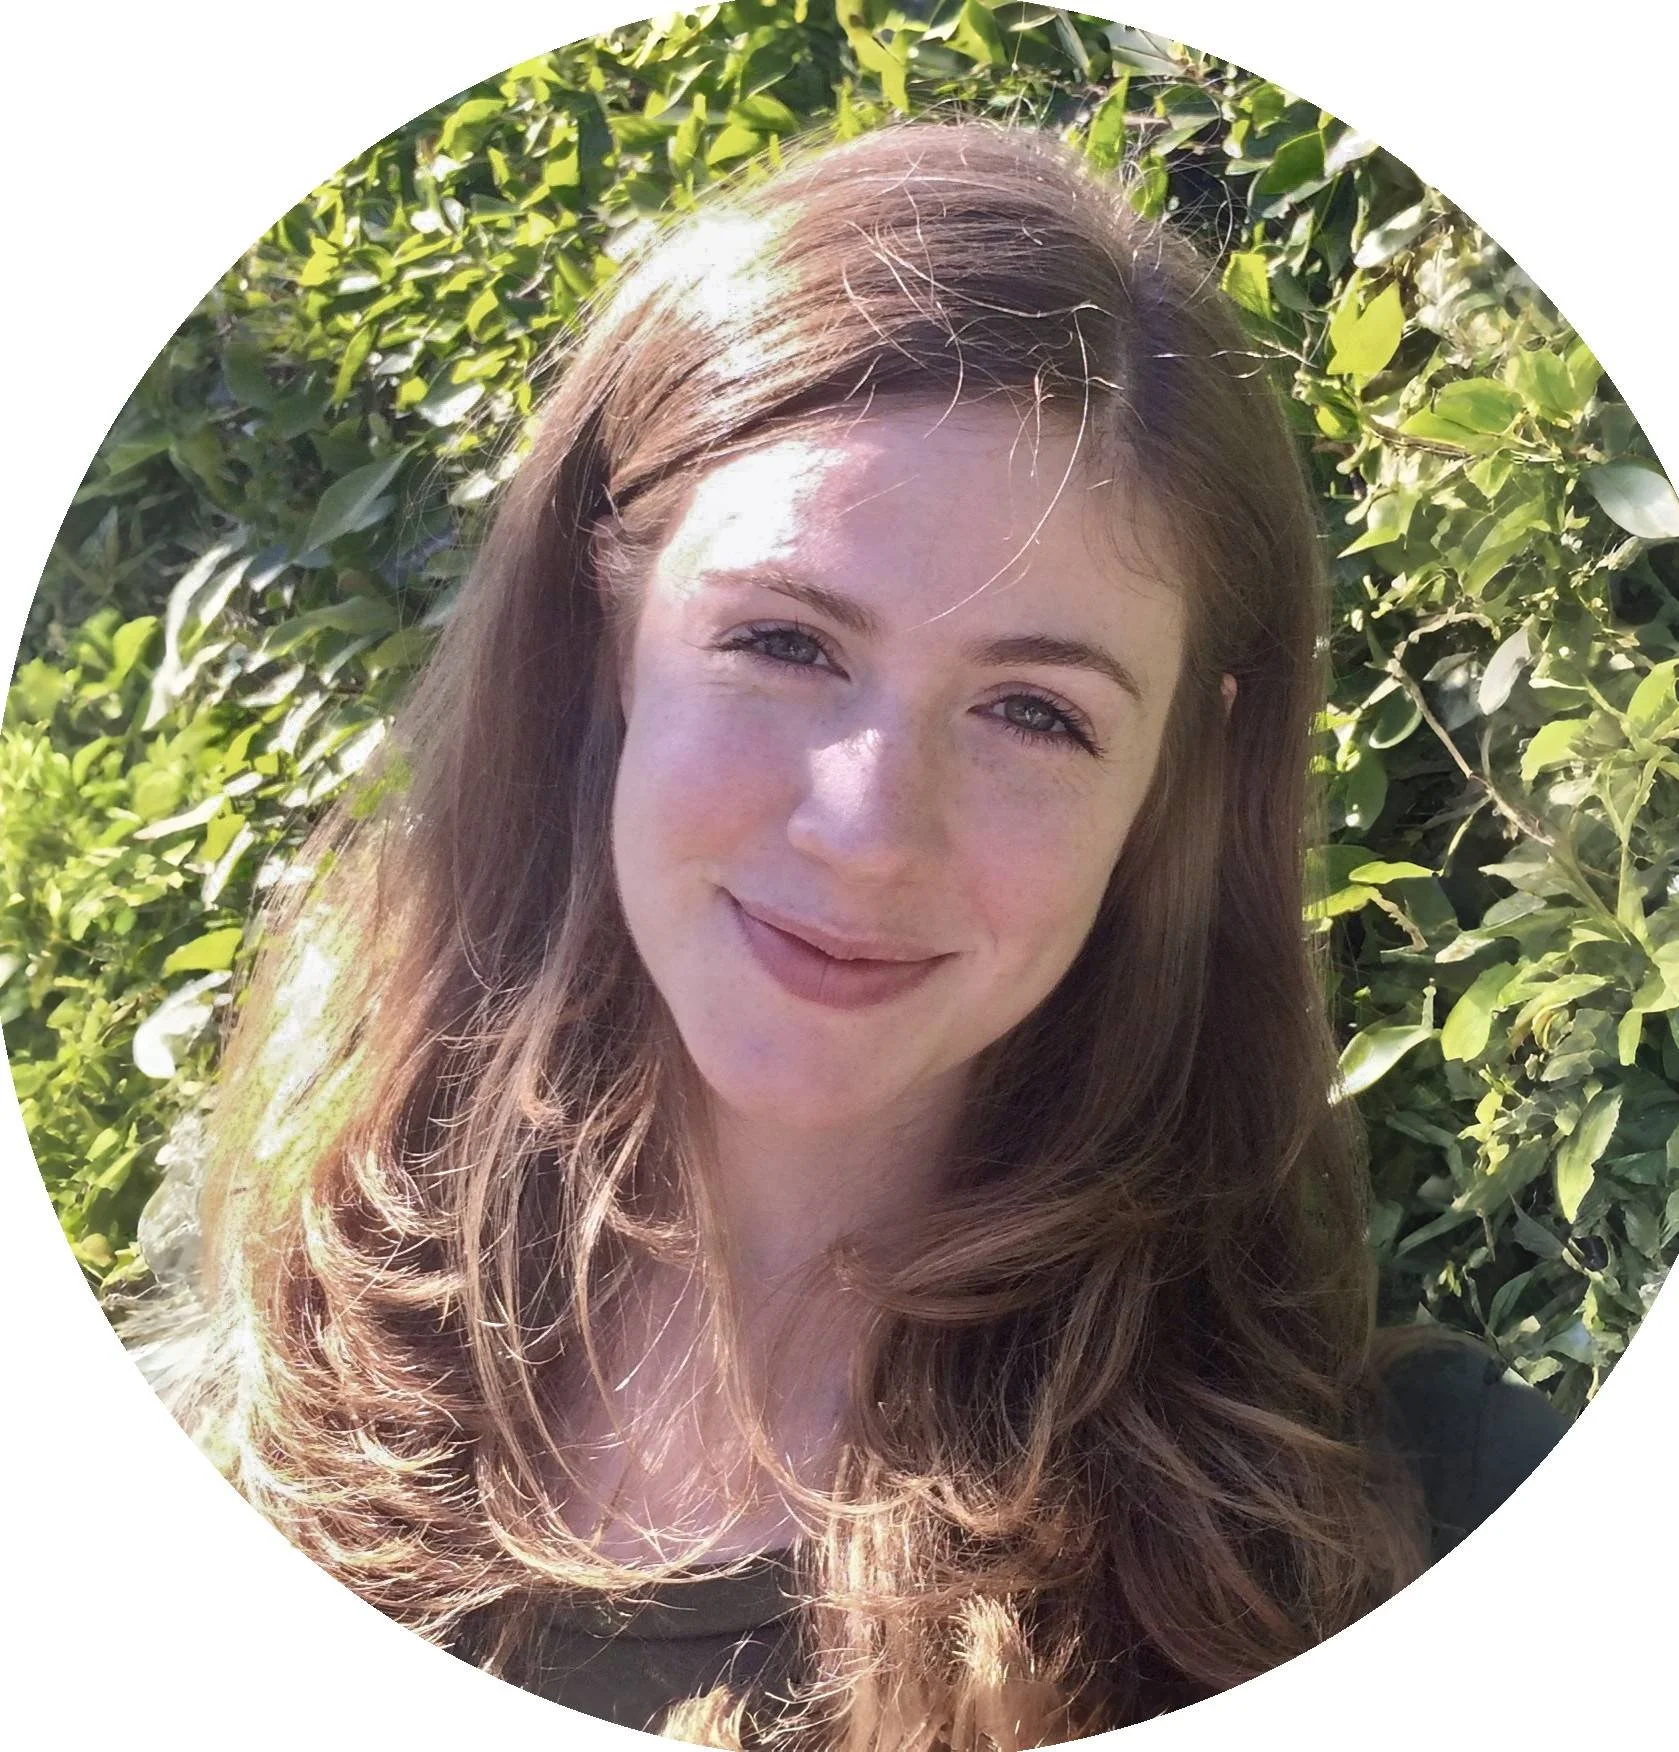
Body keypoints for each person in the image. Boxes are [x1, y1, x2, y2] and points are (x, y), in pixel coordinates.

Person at [127, 118, 1567, 1747]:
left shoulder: (1416, 1544)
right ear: (612, 628)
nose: (871, 828)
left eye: (1034, 710)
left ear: (1175, 771)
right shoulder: (224, 1407)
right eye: (787, 643)